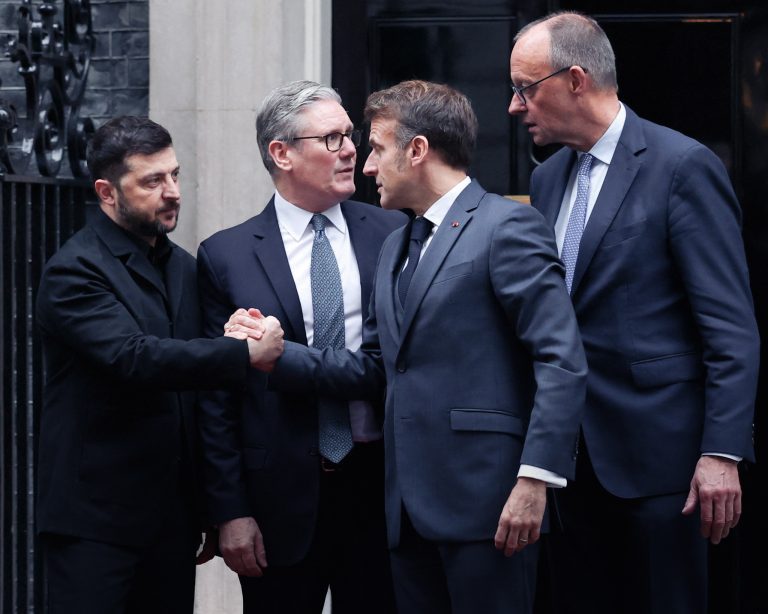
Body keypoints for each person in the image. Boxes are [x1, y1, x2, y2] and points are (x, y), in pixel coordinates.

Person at [230, 79, 587, 614]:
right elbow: (379, 364)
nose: (367, 165)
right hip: (405, 514)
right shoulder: (397, 242)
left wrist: (536, 478)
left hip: (491, 505)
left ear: (417, 150)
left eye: (375, 148)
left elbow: (560, 359)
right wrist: (278, 354)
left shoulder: (508, 225)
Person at [507, 12, 760, 614]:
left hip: (660, 465)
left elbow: (730, 329)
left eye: (524, 88)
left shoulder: (681, 166)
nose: (514, 107)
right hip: (568, 463)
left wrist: (721, 452)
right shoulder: (549, 179)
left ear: (575, 80)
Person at [35, 116, 283, 614]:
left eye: (174, 174)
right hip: (94, 524)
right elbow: (134, 357)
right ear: (107, 192)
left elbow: (196, 385)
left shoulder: (184, 267)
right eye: (152, 181)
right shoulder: (74, 271)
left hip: (171, 522)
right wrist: (241, 353)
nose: (172, 192)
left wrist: (238, 330)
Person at [195, 80, 404, 614]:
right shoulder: (226, 255)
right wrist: (230, 511)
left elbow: (397, 364)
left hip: (380, 487)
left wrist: (281, 358)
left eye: (350, 135)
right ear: (282, 153)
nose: (351, 150)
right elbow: (215, 398)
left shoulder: (394, 233)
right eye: (332, 138)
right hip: (277, 500)